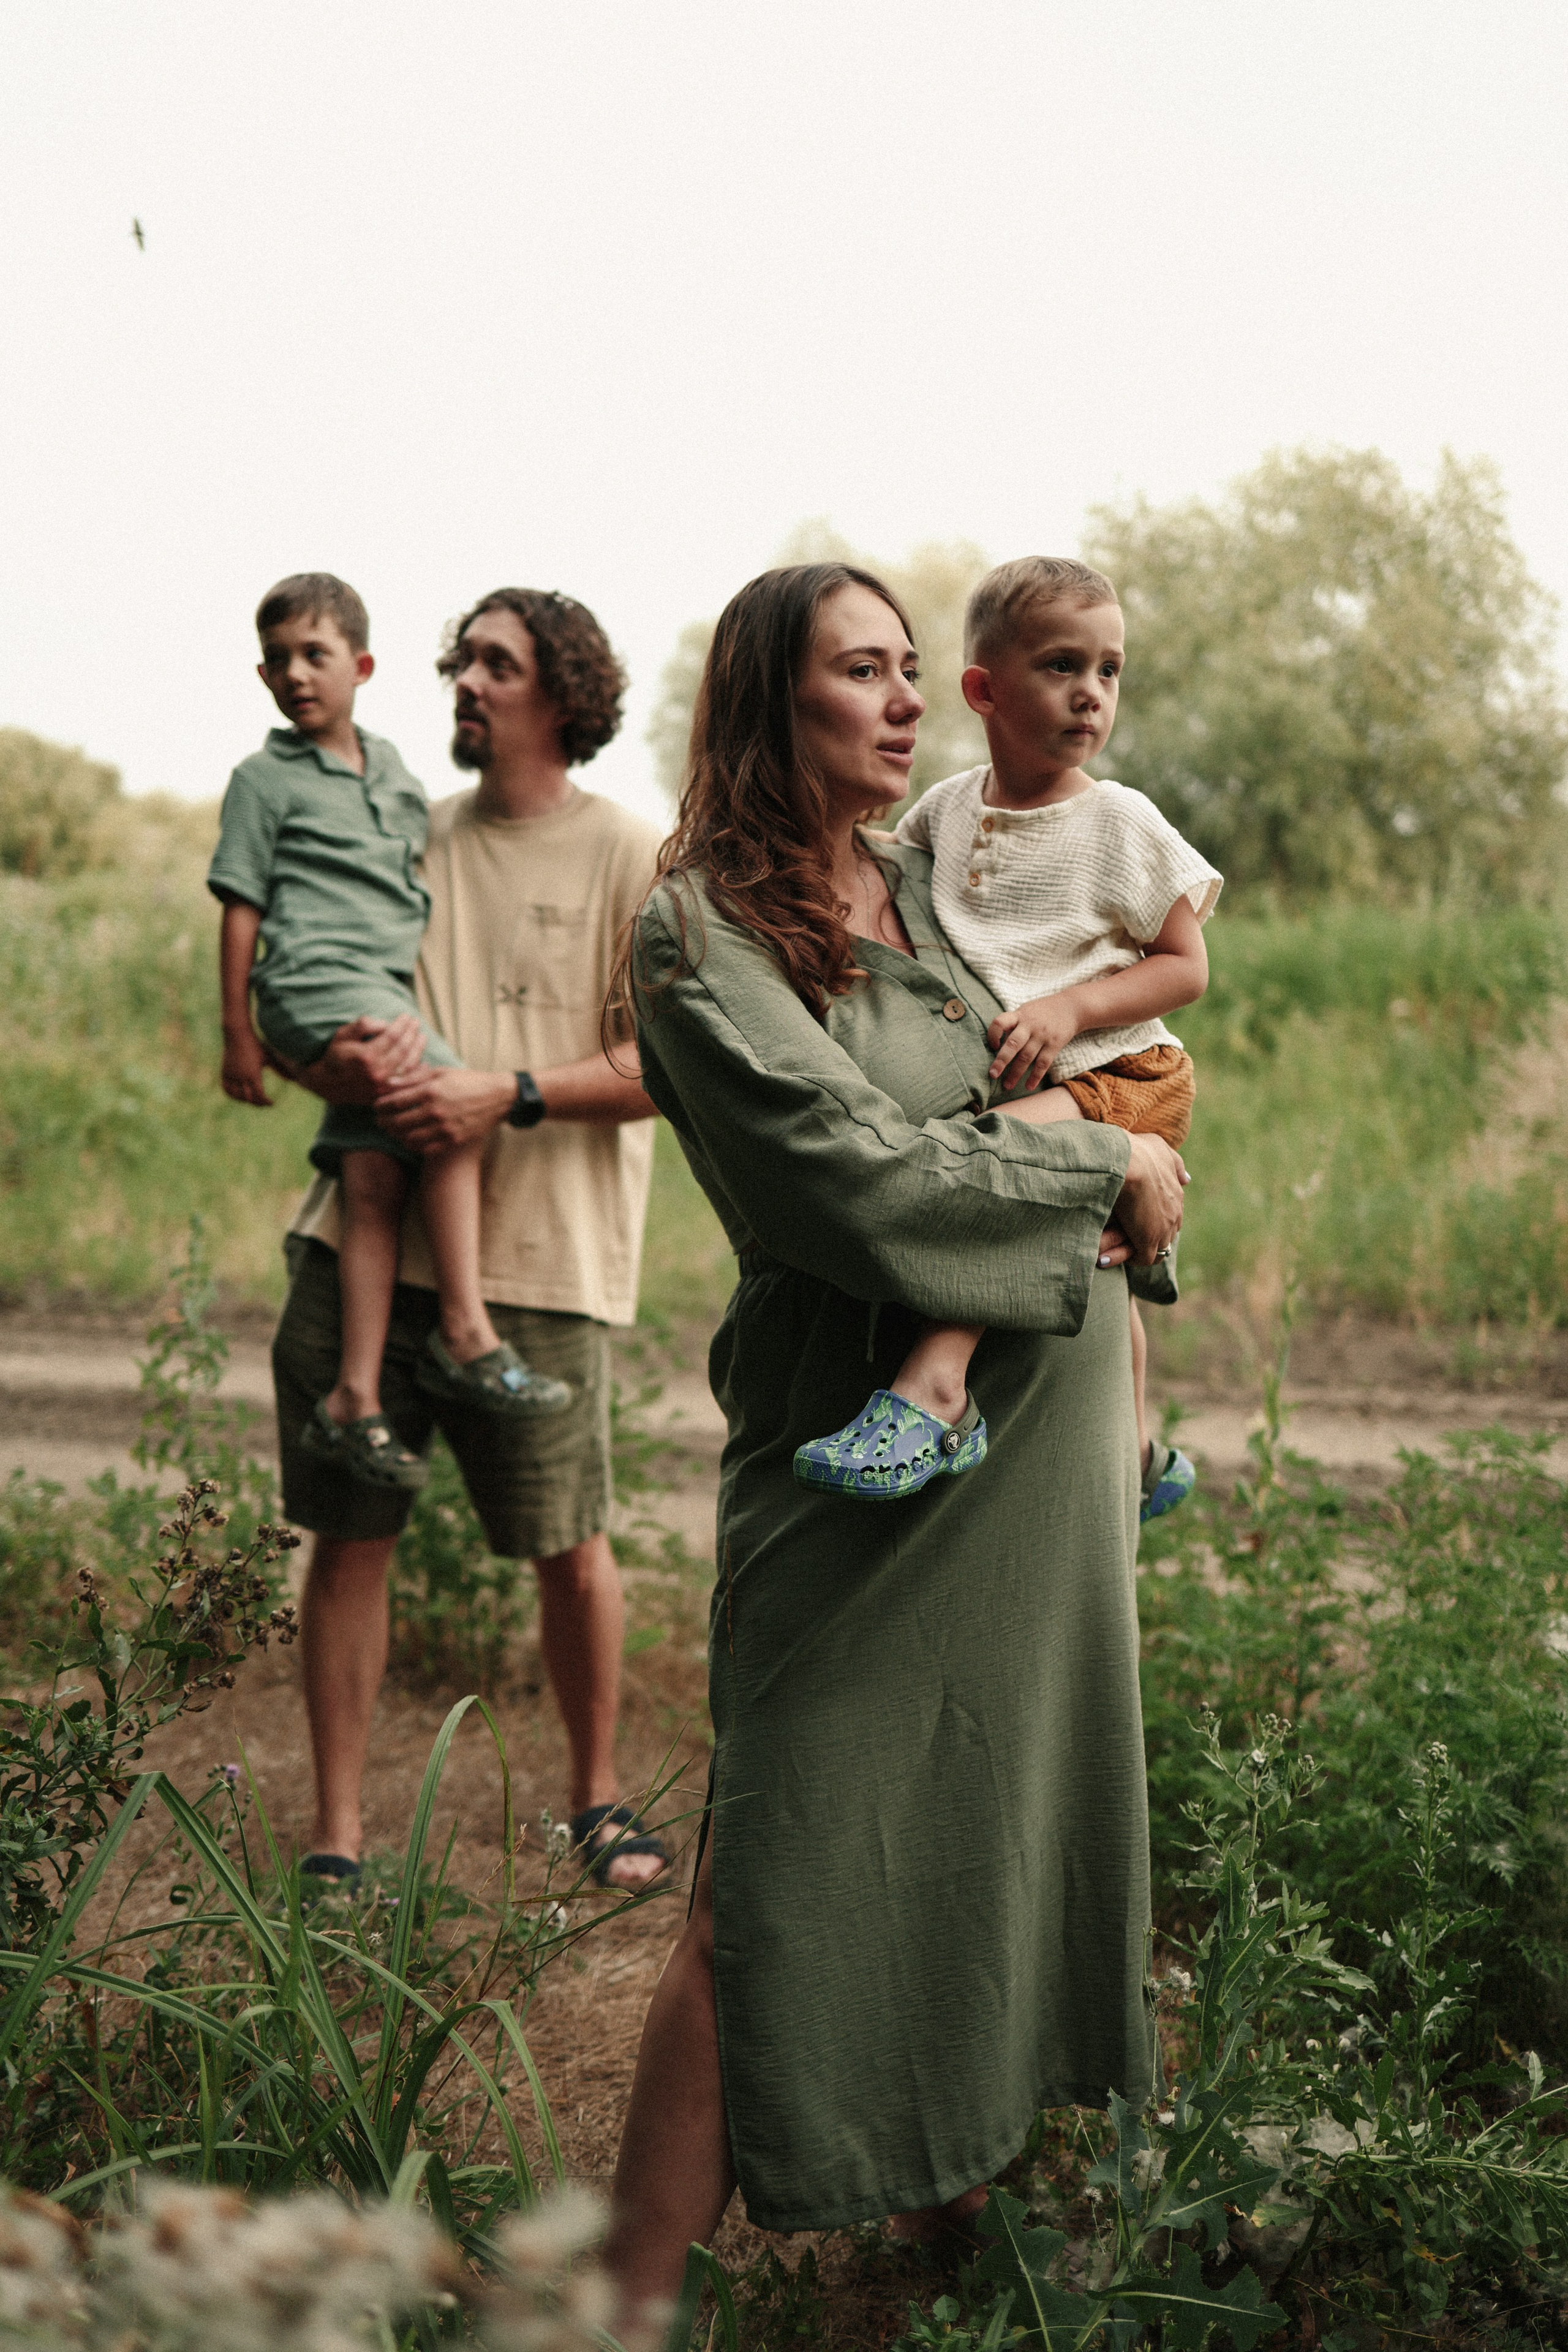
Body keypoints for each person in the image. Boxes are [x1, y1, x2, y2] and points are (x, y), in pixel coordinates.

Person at [601, 563, 1187, 2340]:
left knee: (995, 1822)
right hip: (861, 1457)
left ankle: (963, 2218)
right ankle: (617, 2313)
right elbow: (852, 1176)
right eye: (865, 670)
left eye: (916, 669)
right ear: (772, 702)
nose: (909, 698)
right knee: (769, 1866)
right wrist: (1107, 1170)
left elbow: (1100, 1037)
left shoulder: (931, 888)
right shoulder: (696, 931)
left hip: (1038, 1461)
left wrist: (1122, 1133)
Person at [264, 587, 669, 1892]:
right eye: (458, 662)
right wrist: (325, 1064)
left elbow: (670, 1062)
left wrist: (508, 1091)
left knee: (570, 1542)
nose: (464, 681)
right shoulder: (400, 833)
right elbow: (305, 993)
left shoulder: (629, 852)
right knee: (352, 1530)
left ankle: (597, 1806)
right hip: (367, 1244)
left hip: (547, 1259)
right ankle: (337, 1836)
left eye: (493, 663)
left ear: (561, 691)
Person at [794, 556, 1221, 1520]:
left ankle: (938, 1381)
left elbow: (1185, 968)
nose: (1091, 694)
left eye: (1110, 671)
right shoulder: (944, 811)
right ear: (984, 690)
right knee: (1087, 1244)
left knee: (1001, 1156)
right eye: (1063, 667)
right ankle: (1141, 1449)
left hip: (1126, 1066)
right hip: (1046, 1068)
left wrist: (1073, 1010)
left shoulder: (1119, 822)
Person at [211, 573, 570, 1501]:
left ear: (361, 667)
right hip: (314, 983)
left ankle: (353, 1400)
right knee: (456, 1108)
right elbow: (243, 908)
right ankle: (467, 1332)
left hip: (369, 989)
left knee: (375, 1178)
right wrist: (241, 1034)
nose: (297, 674)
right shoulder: (263, 780)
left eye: (316, 654)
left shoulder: (403, 781)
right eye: (279, 660)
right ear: (262, 675)